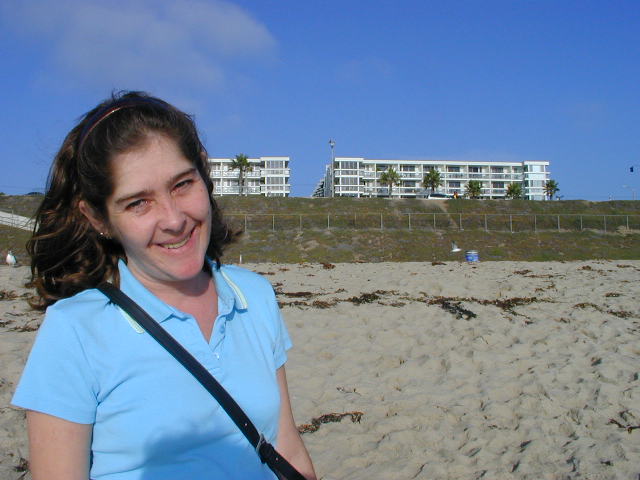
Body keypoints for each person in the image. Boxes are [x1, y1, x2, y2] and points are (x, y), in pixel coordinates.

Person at [12, 91, 317, 480]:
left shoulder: (253, 296)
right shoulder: (74, 329)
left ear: (204, 174)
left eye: (182, 184)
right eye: (138, 202)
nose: (174, 220)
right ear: (99, 219)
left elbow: (286, 446)